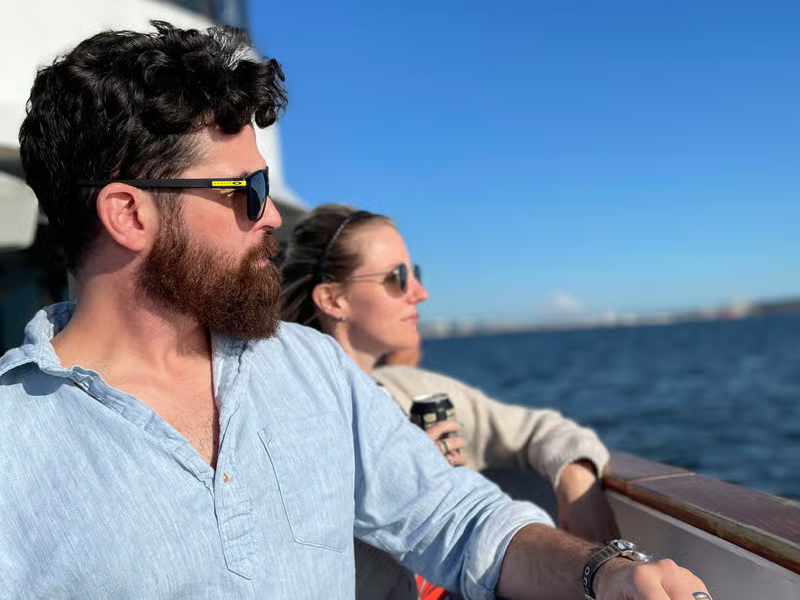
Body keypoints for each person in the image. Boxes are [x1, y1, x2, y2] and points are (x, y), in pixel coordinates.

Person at [0, 21, 711, 600]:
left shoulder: (308, 369)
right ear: (129, 213)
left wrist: (606, 575)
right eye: (244, 191)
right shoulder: (16, 444)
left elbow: (458, 521)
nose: (272, 216)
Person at [280, 206, 617, 599]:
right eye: (397, 278)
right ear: (334, 299)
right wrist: (418, 476)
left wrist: (577, 481)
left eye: (415, 274)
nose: (420, 293)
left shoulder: (413, 390)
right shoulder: (293, 414)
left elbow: (540, 428)